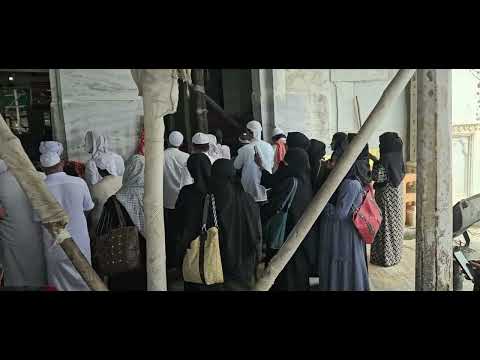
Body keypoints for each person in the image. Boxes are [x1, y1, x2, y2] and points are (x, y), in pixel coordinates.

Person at [38, 145, 95, 291]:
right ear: (62, 164)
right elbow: (88, 208)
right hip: (79, 243)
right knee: (85, 281)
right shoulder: (79, 182)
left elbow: (38, 220)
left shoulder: (39, 189)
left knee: (59, 285)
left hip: (54, 247)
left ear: (43, 169)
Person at [317, 137, 370, 291]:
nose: (331, 165)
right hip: (342, 233)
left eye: (335, 162)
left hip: (345, 234)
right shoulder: (345, 180)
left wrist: (322, 205)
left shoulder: (350, 183)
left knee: (346, 264)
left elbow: (340, 213)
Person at [258, 148, 314, 291]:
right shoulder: (307, 180)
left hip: (286, 233)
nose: (285, 165)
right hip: (301, 235)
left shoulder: (291, 181)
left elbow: (275, 206)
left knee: (285, 271)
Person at [208, 159, 263, 290]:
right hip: (246, 261)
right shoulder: (248, 199)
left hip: (219, 262)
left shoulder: (211, 199)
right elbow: (257, 230)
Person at [96, 154, 147, 291]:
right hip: (151, 258)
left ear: (128, 171)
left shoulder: (115, 201)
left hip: (124, 261)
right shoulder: (156, 197)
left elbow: (102, 232)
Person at [0, 160, 47, 288]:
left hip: (12, 239)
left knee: (17, 277)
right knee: (39, 276)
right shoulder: (41, 177)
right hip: (37, 236)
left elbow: (1, 214)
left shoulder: (1, 181)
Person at [175, 153, 213, 291]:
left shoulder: (186, 192)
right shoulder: (216, 190)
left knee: (192, 281)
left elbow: (177, 219)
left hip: (190, 244)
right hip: (212, 244)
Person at [370, 132, 405, 267]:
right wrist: (375, 159)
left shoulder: (385, 159)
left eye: (381, 144)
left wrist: (375, 164)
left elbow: (376, 177)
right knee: (394, 225)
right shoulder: (397, 157)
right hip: (395, 197)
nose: (380, 146)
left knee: (384, 226)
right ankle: (394, 256)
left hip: (384, 198)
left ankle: (384, 258)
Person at [163, 131, 190, 269]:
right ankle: (183, 260)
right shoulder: (186, 157)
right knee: (183, 231)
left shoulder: (160, 156)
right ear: (181, 142)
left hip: (165, 200)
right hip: (182, 200)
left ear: (167, 140)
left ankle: (171, 261)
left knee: (169, 232)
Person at [234, 120, 274, 204]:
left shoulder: (245, 149)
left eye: (247, 131)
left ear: (251, 133)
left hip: (250, 191)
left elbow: (236, 166)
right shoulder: (269, 146)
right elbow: (271, 164)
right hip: (267, 188)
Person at [89, 152, 123, 235]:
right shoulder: (123, 180)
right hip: (121, 222)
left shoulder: (96, 188)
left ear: (100, 170)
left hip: (101, 227)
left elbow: (88, 208)